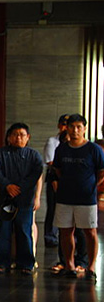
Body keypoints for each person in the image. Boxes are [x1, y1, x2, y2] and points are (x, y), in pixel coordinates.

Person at [53, 114, 104, 281]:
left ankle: (90, 266)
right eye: (72, 126)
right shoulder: (61, 149)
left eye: (79, 127)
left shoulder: (94, 149)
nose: (75, 130)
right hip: (65, 197)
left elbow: (101, 172)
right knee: (66, 231)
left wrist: (91, 185)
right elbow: (58, 170)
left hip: (87, 198)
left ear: (84, 129)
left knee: (90, 232)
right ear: (66, 128)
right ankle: (69, 265)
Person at [0, 122, 43, 275]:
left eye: (22, 135)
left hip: (25, 200)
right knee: (3, 231)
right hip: (4, 199)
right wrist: (7, 186)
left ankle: (26, 263)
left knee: (24, 231)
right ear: (9, 137)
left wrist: (19, 188)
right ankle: (2, 262)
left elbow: (36, 173)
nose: (18, 138)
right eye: (15, 135)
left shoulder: (34, 156)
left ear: (28, 138)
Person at [43, 114, 68, 248]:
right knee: (53, 208)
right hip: (55, 177)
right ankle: (50, 236)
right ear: (59, 125)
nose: (65, 127)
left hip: (70, 179)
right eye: (63, 124)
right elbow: (50, 162)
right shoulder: (53, 141)